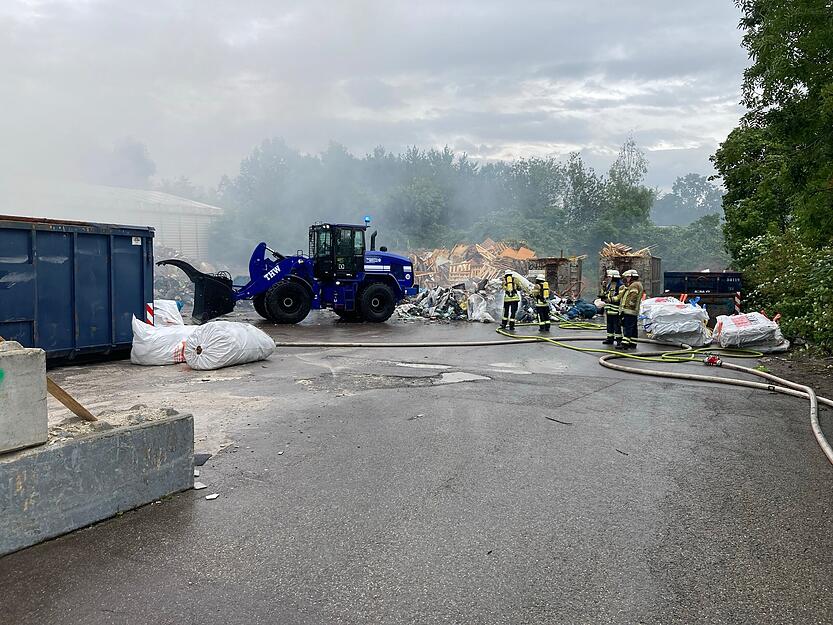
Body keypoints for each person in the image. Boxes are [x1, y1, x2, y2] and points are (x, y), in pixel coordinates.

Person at [619, 269, 644, 349]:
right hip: (633, 310)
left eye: (628, 277)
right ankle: (633, 343)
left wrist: (629, 305)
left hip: (629, 310)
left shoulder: (634, 285)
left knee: (627, 327)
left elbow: (633, 296)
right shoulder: (636, 284)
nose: (627, 279)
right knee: (633, 328)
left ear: (632, 277)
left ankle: (625, 344)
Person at [599, 269, 624, 346]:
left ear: (614, 277)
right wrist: (603, 288)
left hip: (616, 309)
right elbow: (606, 293)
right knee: (609, 325)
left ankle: (619, 340)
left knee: (617, 325)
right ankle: (610, 338)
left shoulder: (620, 285)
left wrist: (610, 299)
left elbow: (619, 296)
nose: (609, 278)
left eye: (610, 277)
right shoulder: (610, 284)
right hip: (609, 309)